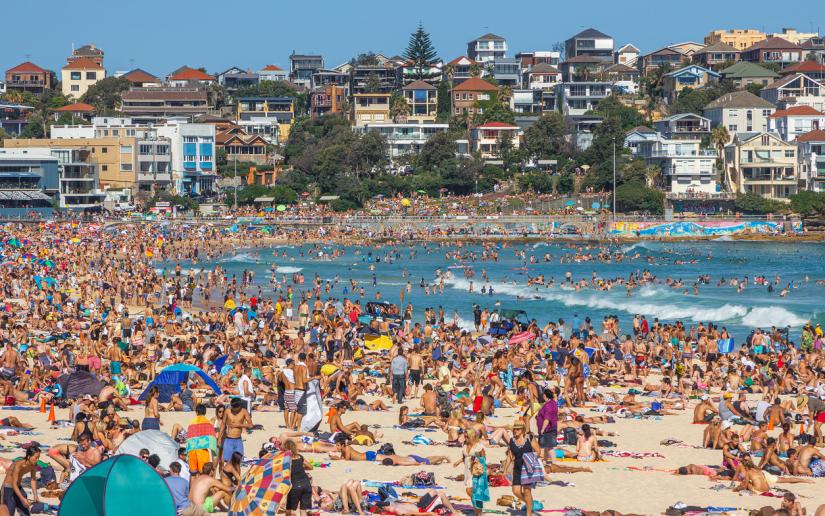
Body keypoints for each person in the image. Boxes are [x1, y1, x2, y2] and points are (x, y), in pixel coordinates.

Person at [506, 421, 541, 516]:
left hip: (528, 468)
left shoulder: (529, 438)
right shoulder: (512, 441)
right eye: (514, 429)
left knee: (527, 491)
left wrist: (529, 458)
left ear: (522, 430)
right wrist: (504, 470)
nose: (515, 430)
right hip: (517, 468)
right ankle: (530, 503)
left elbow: (538, 451)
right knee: (516, 491)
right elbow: (510, 456)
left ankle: (528, 513)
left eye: (517, 429)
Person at [1, 445, 40, 516]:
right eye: (36, 457)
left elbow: (33, 480)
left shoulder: (34, 465)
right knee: (8, 512)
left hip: (18, 487)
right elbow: (13, 484)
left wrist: (35, 495)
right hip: (8, 488)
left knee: (25, 511)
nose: (37, 460)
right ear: (28, 457)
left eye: (38, 458)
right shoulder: (18, 465)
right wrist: (22, 498)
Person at [283, 439, 314, 516]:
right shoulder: (300, 457)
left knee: (289, 511)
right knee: (303, 510)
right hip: (307, 485)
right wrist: (300, 468)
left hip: (295, 486)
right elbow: (311, 467)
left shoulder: (286, 460)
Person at [186, 404, 218, 475]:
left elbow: (189, 439)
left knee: (193, 474)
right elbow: (212, 438)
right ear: (205, 412)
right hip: (202, 451)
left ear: (196, 412)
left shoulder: (191, 423)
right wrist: (214, 452)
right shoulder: (208, 423)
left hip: (192, 450)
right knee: (203, 473)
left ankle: (193, 486)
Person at [219, 398, 252, 466]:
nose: (232, 409)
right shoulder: (227, 411)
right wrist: (219, 437)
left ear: (239, 406)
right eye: (232, 407)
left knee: (238, 462)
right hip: (228, 439)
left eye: (234, 408)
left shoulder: (244, 411)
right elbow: (223, 424)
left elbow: (251, 425)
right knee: (227, 462)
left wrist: (239, 425)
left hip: (238, 440)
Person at [536, 389, 558, 461]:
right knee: (546, 447)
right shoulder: (553, 402)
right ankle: (545, 461)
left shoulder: (548, 405)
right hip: (551, 428)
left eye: (543, 395)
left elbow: (547, 419)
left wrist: (542, 429)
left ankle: (554, 463)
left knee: (549, 447)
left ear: (545, 395)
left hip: (548, 429)